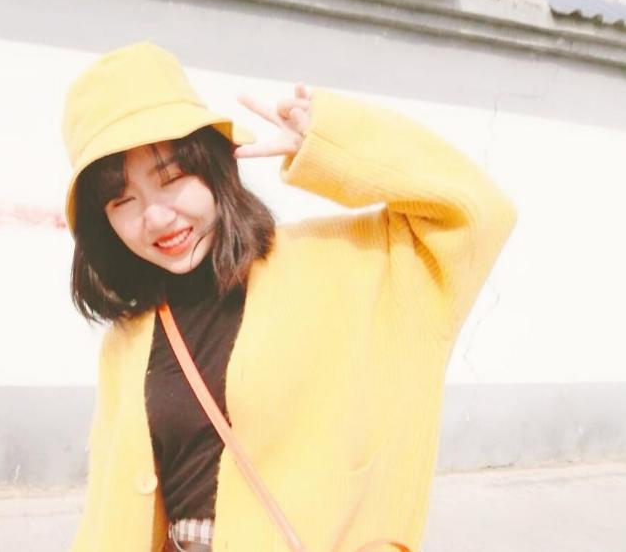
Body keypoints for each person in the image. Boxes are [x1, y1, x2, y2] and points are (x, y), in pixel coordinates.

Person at [61, 41, 517, 552]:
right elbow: (109, 511)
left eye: (172, 178)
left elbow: (477, 214)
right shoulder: (129, 337)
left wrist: (333, 145)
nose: (157, 217)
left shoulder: (341, 264)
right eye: (122, 200)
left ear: (214, 167)